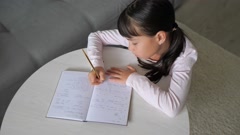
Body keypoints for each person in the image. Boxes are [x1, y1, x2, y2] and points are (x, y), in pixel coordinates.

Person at [87, 0, 197, 117]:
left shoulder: (184, 57)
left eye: (134, 43)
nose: (129, 48)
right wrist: (97, 64)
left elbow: (172, 108)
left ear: (159, 37)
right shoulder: (136, 33)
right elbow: (96, 36)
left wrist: (132, 79)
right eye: (128, 41)